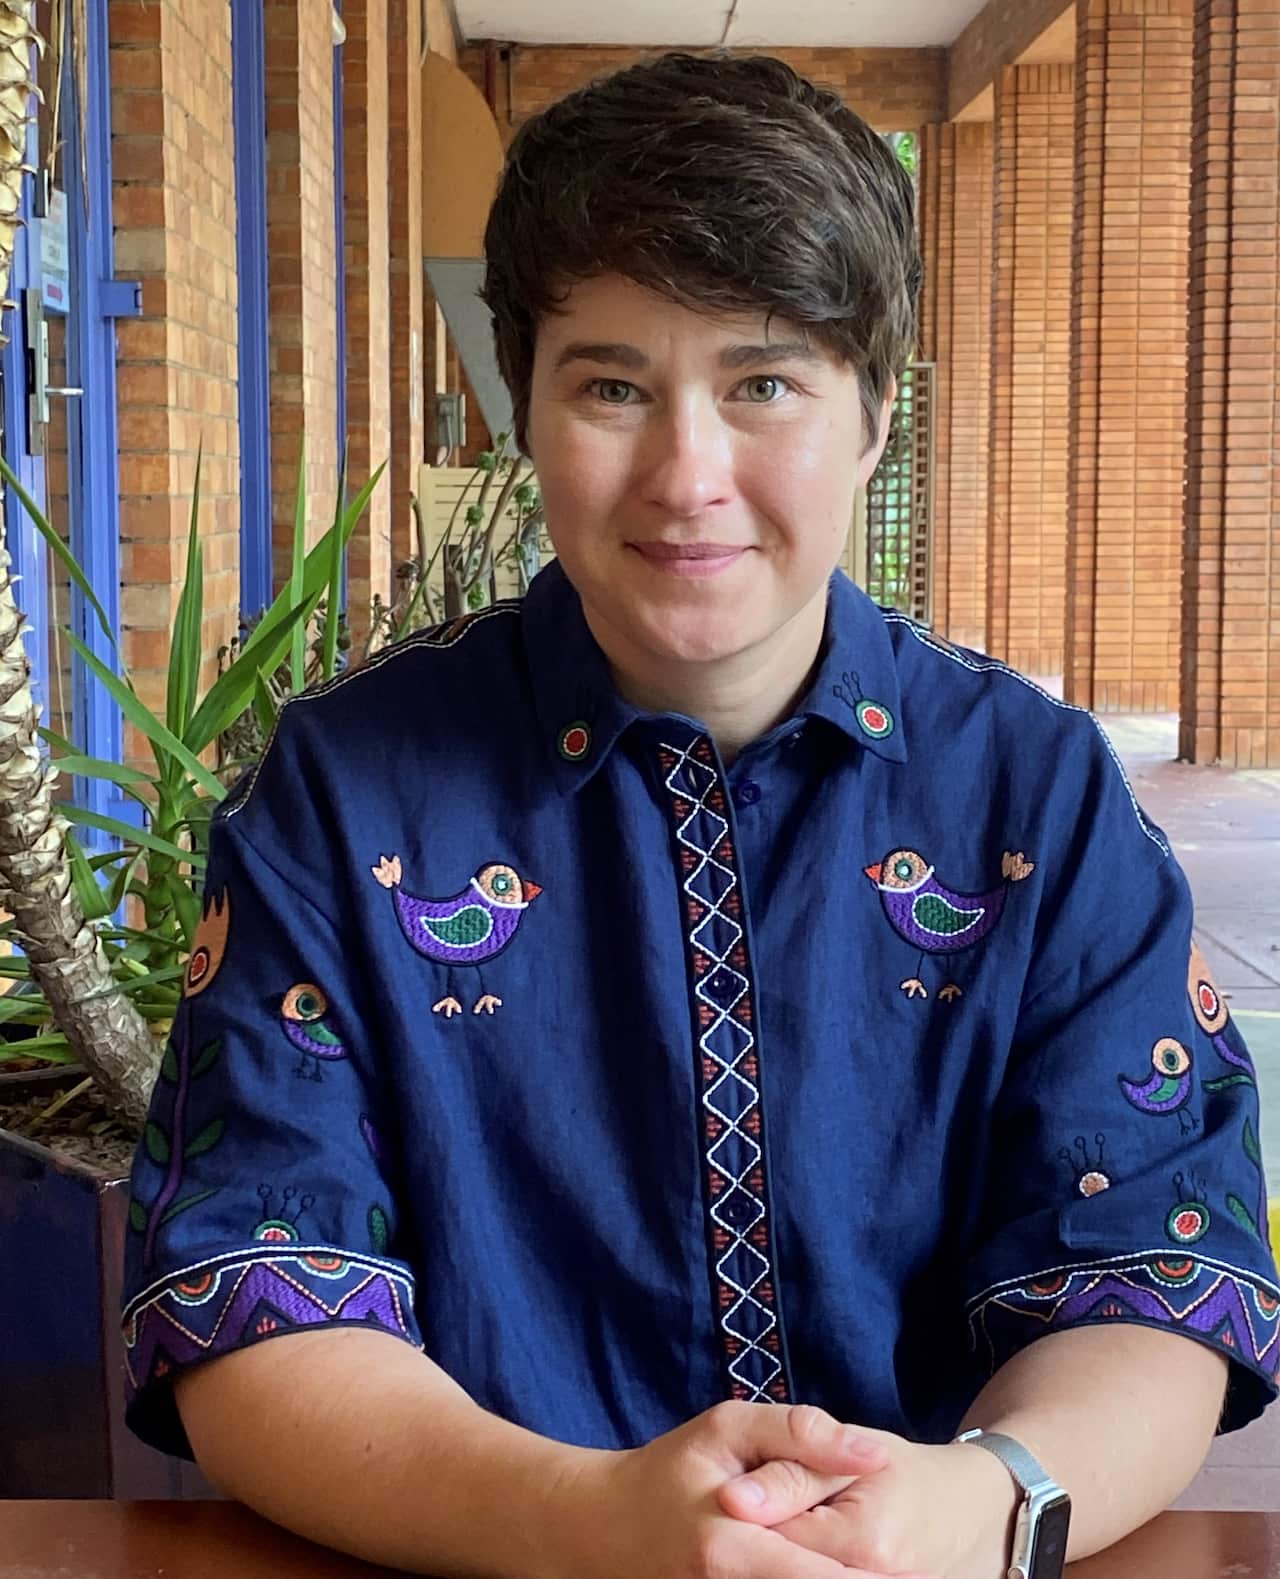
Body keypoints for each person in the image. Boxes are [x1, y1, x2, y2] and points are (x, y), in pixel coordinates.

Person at [121, 50, 1277, 1579]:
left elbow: (1156, 1269)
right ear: (524, 406)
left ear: (876, 418)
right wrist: (589, 1521)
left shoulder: (1039, 795)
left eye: (763, 384)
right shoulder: (345, 795)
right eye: (612, 386)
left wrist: (974, 1508)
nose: (687, 475)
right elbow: (254, 1294)